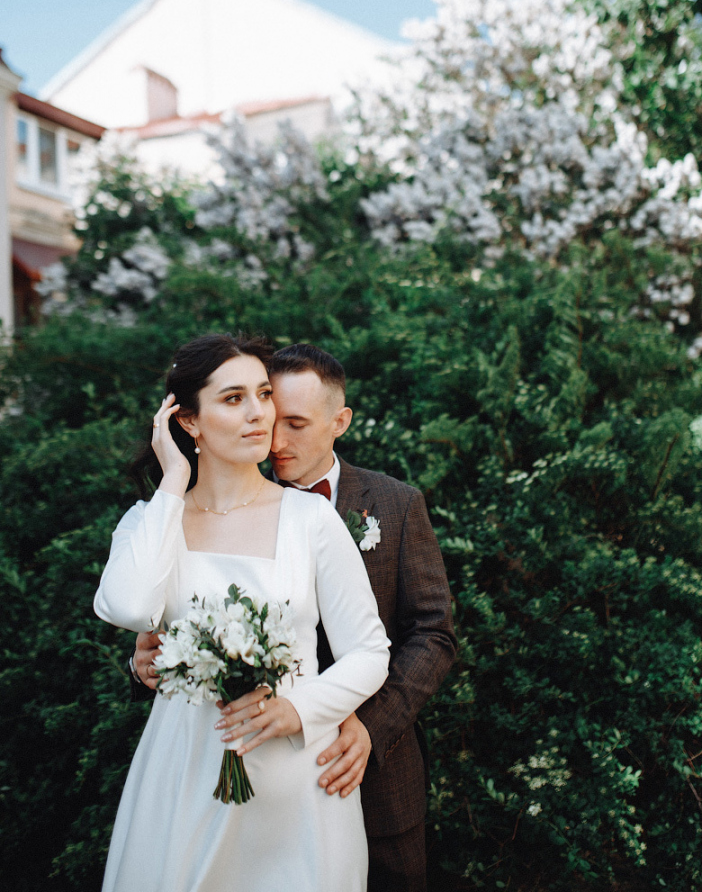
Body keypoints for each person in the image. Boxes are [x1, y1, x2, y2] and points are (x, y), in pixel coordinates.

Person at [133, 343, 457, 891]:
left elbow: (433, 633)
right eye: (271, 418)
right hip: (245, 772)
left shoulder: (395, 504)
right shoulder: (227, 501)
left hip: (366, 765)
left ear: (340, 421)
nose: (276, 440)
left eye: (297, 424)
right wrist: (155, 653)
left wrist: (366, 724)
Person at [95, 333, 390, 892]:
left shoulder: (311, 520)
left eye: (262, 394)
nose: (259, 414)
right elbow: (131, 607)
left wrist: (297, 711)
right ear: (187, 422)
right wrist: (174, 485)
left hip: (300, 784)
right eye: (233, 399)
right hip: (184, 770)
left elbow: (370, 650)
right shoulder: (149, 520)